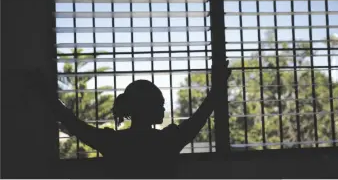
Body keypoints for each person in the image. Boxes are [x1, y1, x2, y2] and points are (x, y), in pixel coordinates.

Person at [29, 60, 231, 178]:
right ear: (146, 107)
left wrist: (47, 94)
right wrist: (217, 87)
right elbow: (200, 116)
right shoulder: (168, 139)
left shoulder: (113, 141)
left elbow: (72, 122)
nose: (164, 109)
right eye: (160, 104)